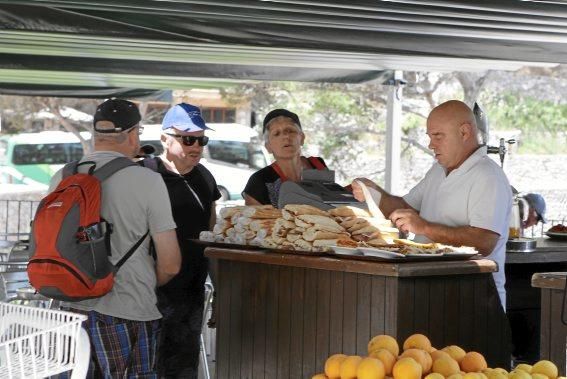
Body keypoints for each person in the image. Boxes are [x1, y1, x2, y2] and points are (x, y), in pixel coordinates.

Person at [50, 99, 182, 378]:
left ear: (96, 134)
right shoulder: (147, 181)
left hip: (67, 309)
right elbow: (170, 264)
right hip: (128, 307)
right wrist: (143, 280)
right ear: (133, 133)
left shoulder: (61, 176)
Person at [352, 100, 512, 309]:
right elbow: (403, 208)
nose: (431, 145)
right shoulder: (438, 171)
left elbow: (484, 241)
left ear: (464, 132)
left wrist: (424, 227)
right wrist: (372, 191)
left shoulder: (488, 176)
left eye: (438, 136)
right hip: (429, 290)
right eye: (430, 137)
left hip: (473, 298)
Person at [141, 103, 221, 378]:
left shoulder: (205, 177)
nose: (196, 145)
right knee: (146, 366)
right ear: (165, 138)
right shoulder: (146, 174)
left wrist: (218, 287)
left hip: (191, 292)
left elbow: (213, 231)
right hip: (149, 291)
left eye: (201, 139)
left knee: (184, 367)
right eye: (188, 138)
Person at [243, 108, 328, 206]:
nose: (286, 137)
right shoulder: (259, 181)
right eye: (277, 134)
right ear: (268, 147)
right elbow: (252, 219)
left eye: (290, 131)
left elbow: (334, 203)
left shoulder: (317, 164)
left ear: (302, 138)